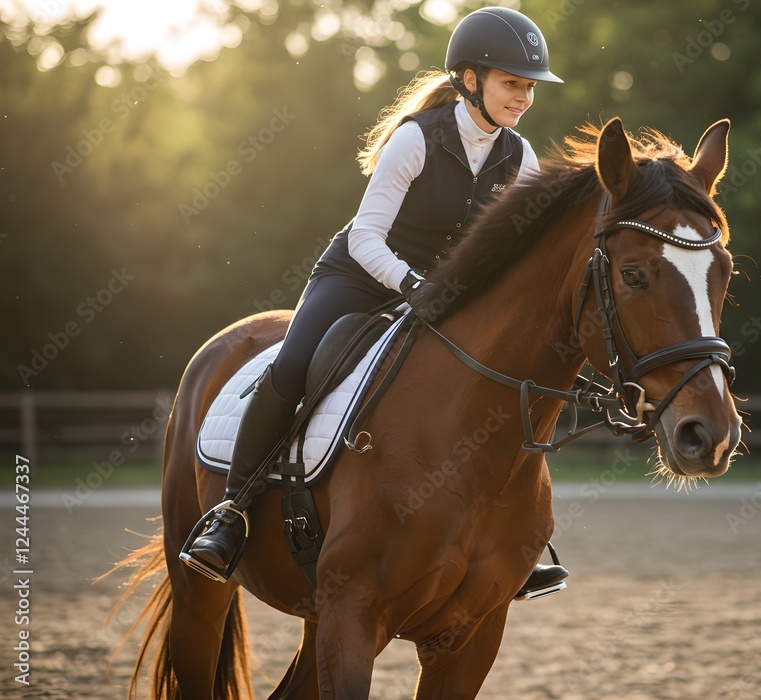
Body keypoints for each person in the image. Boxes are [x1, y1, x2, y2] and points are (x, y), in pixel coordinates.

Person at [180, 7, 570, 600]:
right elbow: (366, 237)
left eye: (528, 86)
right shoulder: (417, 137)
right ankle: (231, 513)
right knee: (295, 365)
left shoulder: (521, 158)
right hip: (361, 275)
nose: (523, 97)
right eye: (511, 83)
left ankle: (511, 534)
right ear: (471, 80)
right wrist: (413, 286)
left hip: (444, 293)